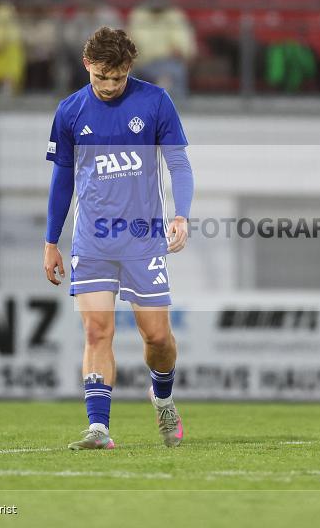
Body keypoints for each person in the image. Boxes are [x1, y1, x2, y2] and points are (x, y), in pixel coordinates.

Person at [43, 27, 194, 449]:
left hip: (142, 240)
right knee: (96, 331)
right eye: (102, 77)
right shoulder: (70, 111)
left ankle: (162, 396)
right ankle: (99, 428)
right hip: (92, 241)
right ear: (87, 65)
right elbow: (63, 179)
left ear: (129, 69)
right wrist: (51, 239)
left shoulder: (155, 102)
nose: (110, 86)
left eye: (119, 78)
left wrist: (181, 215)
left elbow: (179, 165)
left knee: (157, 339)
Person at [126, 0, 196, 100]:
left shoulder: (175, 16)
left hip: (167, 63)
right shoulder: (139, 15)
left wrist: (180, 51)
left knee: (175, 71)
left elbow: (183, 45)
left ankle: (175, 110)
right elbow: (133, 41)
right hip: (141, 62)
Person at [63, 0, 123, 90]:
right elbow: (69, 39)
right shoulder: (78, 16)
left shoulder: (109, 15)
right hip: (82, 60)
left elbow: (117, 41)